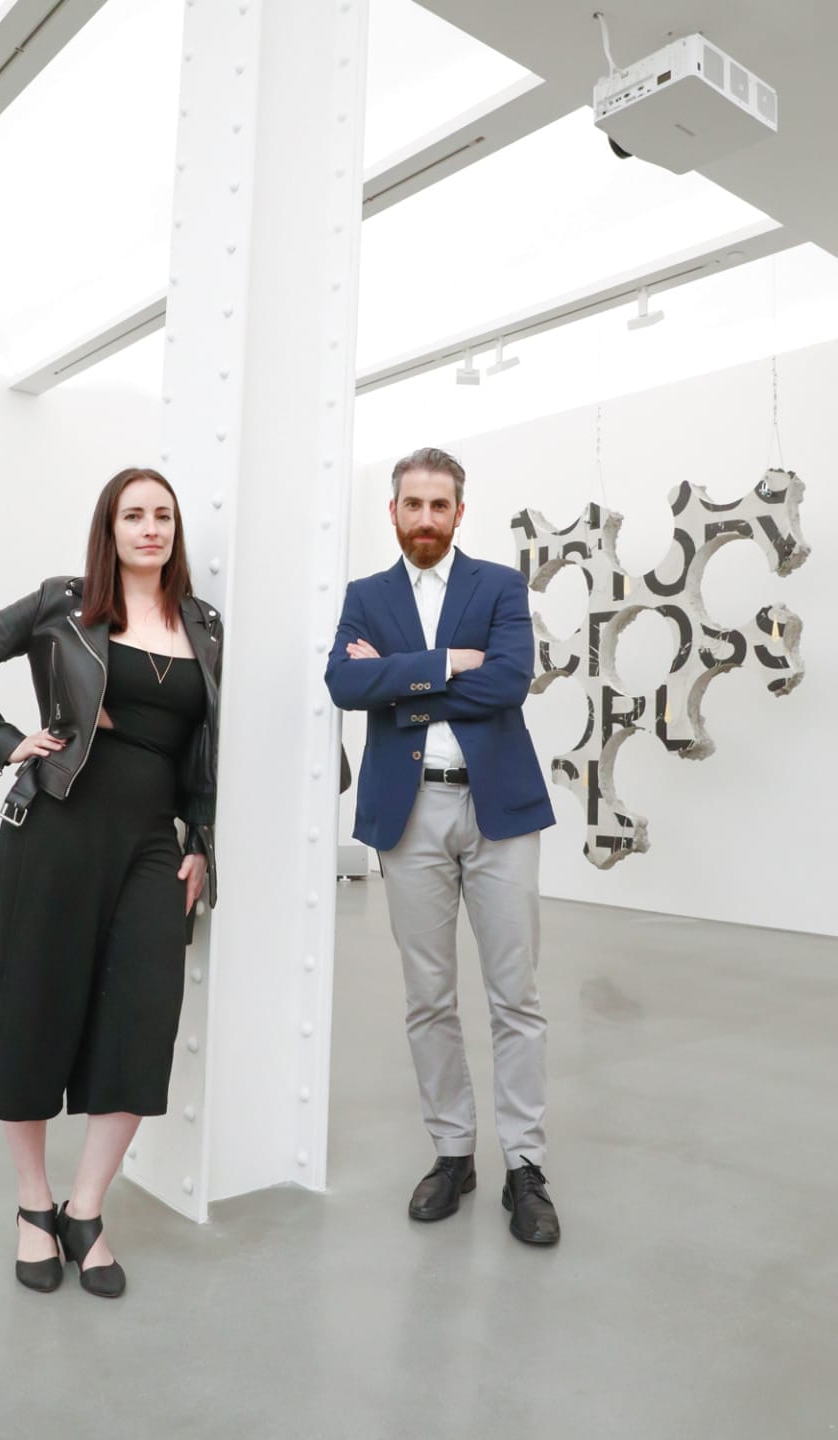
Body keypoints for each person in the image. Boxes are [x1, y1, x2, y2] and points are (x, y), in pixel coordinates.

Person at [0, 467, 222, 1296]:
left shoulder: (203, 624)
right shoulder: (65, 603)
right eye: (134, 515)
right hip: (56, 830)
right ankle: (33, 1205)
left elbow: (207, 743)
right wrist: (7, 741)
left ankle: (85, 1210)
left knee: (140, 1022)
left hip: (152, 847)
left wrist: (201, 839)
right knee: (34, 1010)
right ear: (110, 528)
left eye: (163, 516)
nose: (151, 528)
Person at [325, 448, 560, 1245]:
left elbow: (509, 681)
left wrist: (401, 681)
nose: (425, 518)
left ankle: (525, 1167)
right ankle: (453, 1154)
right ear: (392, 511)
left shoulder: (498, 586)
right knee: (428, 995)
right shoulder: (366, 596)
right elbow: (344, 685)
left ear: (460, 512)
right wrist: (447, 665)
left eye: (439, 505)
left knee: (515, 996)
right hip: (409, 813)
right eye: (412, 504)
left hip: (501, 812)